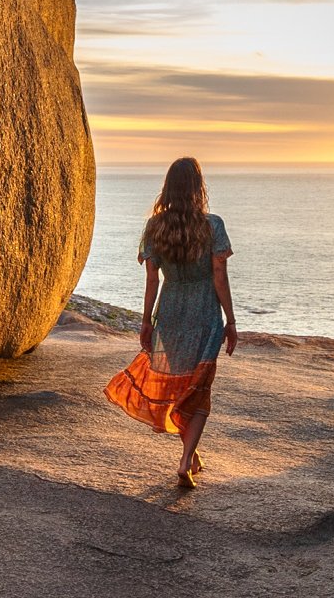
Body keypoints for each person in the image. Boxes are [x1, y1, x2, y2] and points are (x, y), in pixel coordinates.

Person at [105, 156, 237, 489]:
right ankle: (185, 460)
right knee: (199, 388)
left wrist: (146, 321)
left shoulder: (155, 227)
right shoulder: (212, 225)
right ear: (198, 187)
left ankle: (192, 456)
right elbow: (219, 275)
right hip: (204, 312)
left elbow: (152, 279)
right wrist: (231, 320)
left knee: (181, 385)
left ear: (168, 187)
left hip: (170, 312)